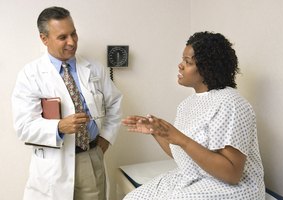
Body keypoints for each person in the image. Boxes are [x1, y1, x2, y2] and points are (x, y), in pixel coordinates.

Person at [122, 32, 265, 199]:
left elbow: (232, 174)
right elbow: (182, 153)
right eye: (183, 60)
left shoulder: (230, 103)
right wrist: (157, 131)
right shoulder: (186, 105)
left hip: (232, 188)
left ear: (207, 68)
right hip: (195, 177)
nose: (180, 65)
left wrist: (179, 137)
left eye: (187, 62)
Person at [11, 6, 122, 200]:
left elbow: (115, 103)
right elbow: (23, 127)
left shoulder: (94, 68)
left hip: (90, 157)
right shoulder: (30, 75)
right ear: (44, 39)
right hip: (53, 163)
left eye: (74, 34)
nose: (72, 42)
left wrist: (105, 138)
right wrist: (60, 126)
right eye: (63, 37)